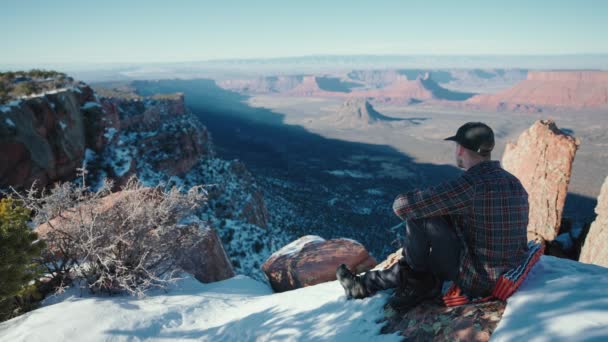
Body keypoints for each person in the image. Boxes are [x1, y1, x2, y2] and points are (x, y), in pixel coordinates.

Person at [337, 122, 529, 310]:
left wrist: (429, 199)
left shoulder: (470, 184)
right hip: (507, 270)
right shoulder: (514, 182)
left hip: (477, 279)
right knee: (436, 223)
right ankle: (367, 284)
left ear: (461, 149)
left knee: (420, 214)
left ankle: (414, 286)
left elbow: (402, 207)